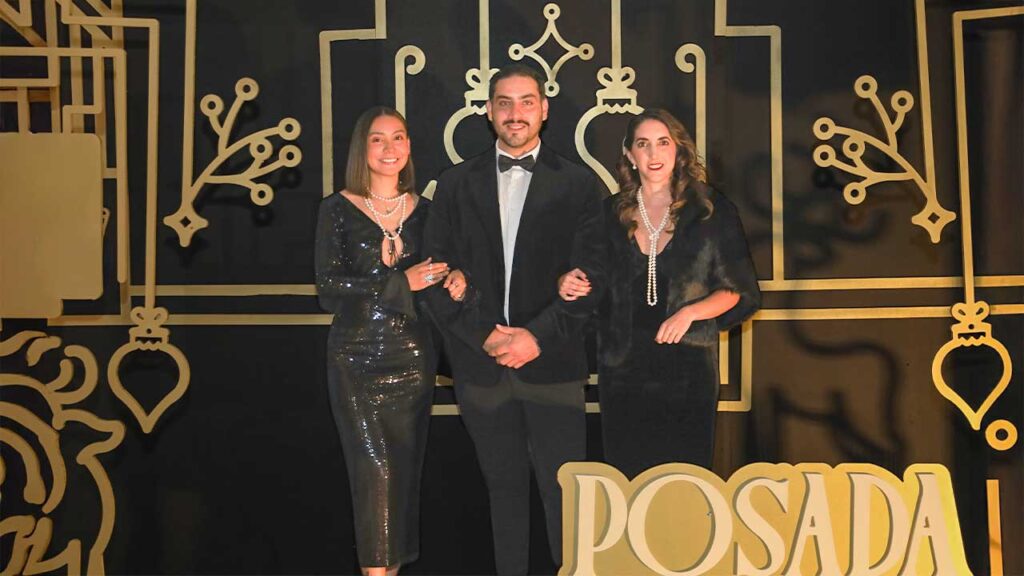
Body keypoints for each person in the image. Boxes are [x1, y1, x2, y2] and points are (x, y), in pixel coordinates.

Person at [423, 64, 605, 575]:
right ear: (488, 111)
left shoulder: (579, 184)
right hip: (480, 370)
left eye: (526, 102)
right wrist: (483, 336)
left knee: (564, 496)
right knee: (502, 495)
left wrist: (536, 337)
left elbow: (593, 277)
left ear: (544, 110)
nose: (515, 113)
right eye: (504, 103)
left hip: (554, 366)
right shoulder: (454, 184)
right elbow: (433, 274)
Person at [559, 109, 760, 478]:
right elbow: (589, 284)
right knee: (628, 481)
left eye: (663, 142)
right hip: (622, 371)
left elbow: (737, 290)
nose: (654, 154)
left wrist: (690, 313)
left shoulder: (710, 209)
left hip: (689, 372)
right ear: (629, 154)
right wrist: (570, 283)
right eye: (643, 144)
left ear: (678, 149)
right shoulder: (607, 215)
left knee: (685, 482)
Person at [315, 106, 465, 576]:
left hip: (413, 357)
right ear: (362, 149)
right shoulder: (336, 209)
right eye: (377, 139)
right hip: (356, 358)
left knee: (402, 473)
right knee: (373, 470)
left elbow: (438, 276)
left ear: (409, 147)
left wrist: (455, 277)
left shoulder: (426, 211)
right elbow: (328, 289)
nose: (389, 148)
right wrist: (399, 282)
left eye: (398, 137)